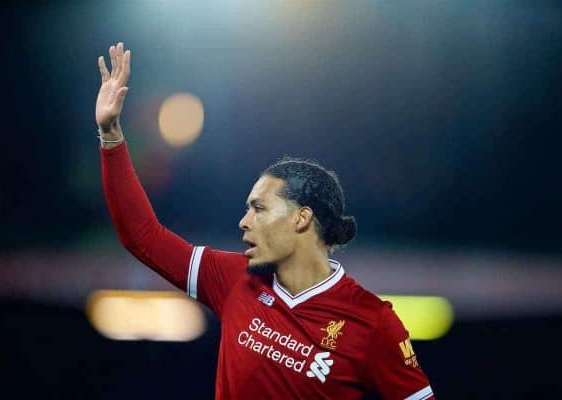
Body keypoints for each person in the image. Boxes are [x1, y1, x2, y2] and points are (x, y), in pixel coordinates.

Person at [96, 42, 435, 400]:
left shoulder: (373, 322)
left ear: (301, 218)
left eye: (259, 209)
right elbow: (142, 235)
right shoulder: (232, 279)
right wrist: (111, 134)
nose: (244, 222)